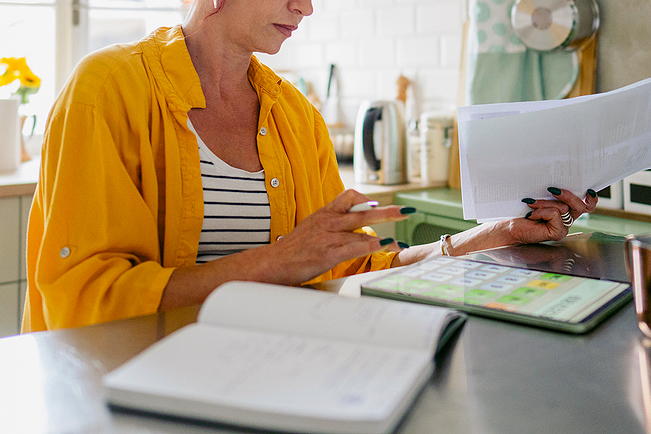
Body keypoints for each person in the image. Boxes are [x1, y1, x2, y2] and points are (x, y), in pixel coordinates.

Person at [22, 0, 598, 332]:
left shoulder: (293, 112)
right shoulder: (108, 89)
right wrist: (277, 261)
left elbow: (349, 270)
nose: (307, 5)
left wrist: (487, 237)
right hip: (126, 391)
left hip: (269, 370)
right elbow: (84, 299)